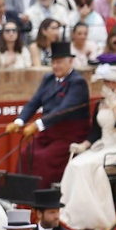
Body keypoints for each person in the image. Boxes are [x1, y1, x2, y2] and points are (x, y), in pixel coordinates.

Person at [61, 63, 116, 230]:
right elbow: (96, 132)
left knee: (85, 166)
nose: (106, 85)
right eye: (105, 82)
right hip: (103, 144)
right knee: (74, 163)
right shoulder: (100, 104)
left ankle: (87, 216)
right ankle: (69, 210)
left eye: (110, 82)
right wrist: (83, 146)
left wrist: (114, 105)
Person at [9, 41, 90, 188]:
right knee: (26, 154)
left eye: (59, 62)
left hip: (69, 135)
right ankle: (20, 194)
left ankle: (42, 195)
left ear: (70, 62)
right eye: (53, 62)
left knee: (44, 158)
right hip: (49, 133)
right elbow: (35, 101)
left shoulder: (78, 83)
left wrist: (38, 124)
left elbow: (63, 109)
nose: (55, 66)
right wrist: (19, 121)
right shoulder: (48, 79)